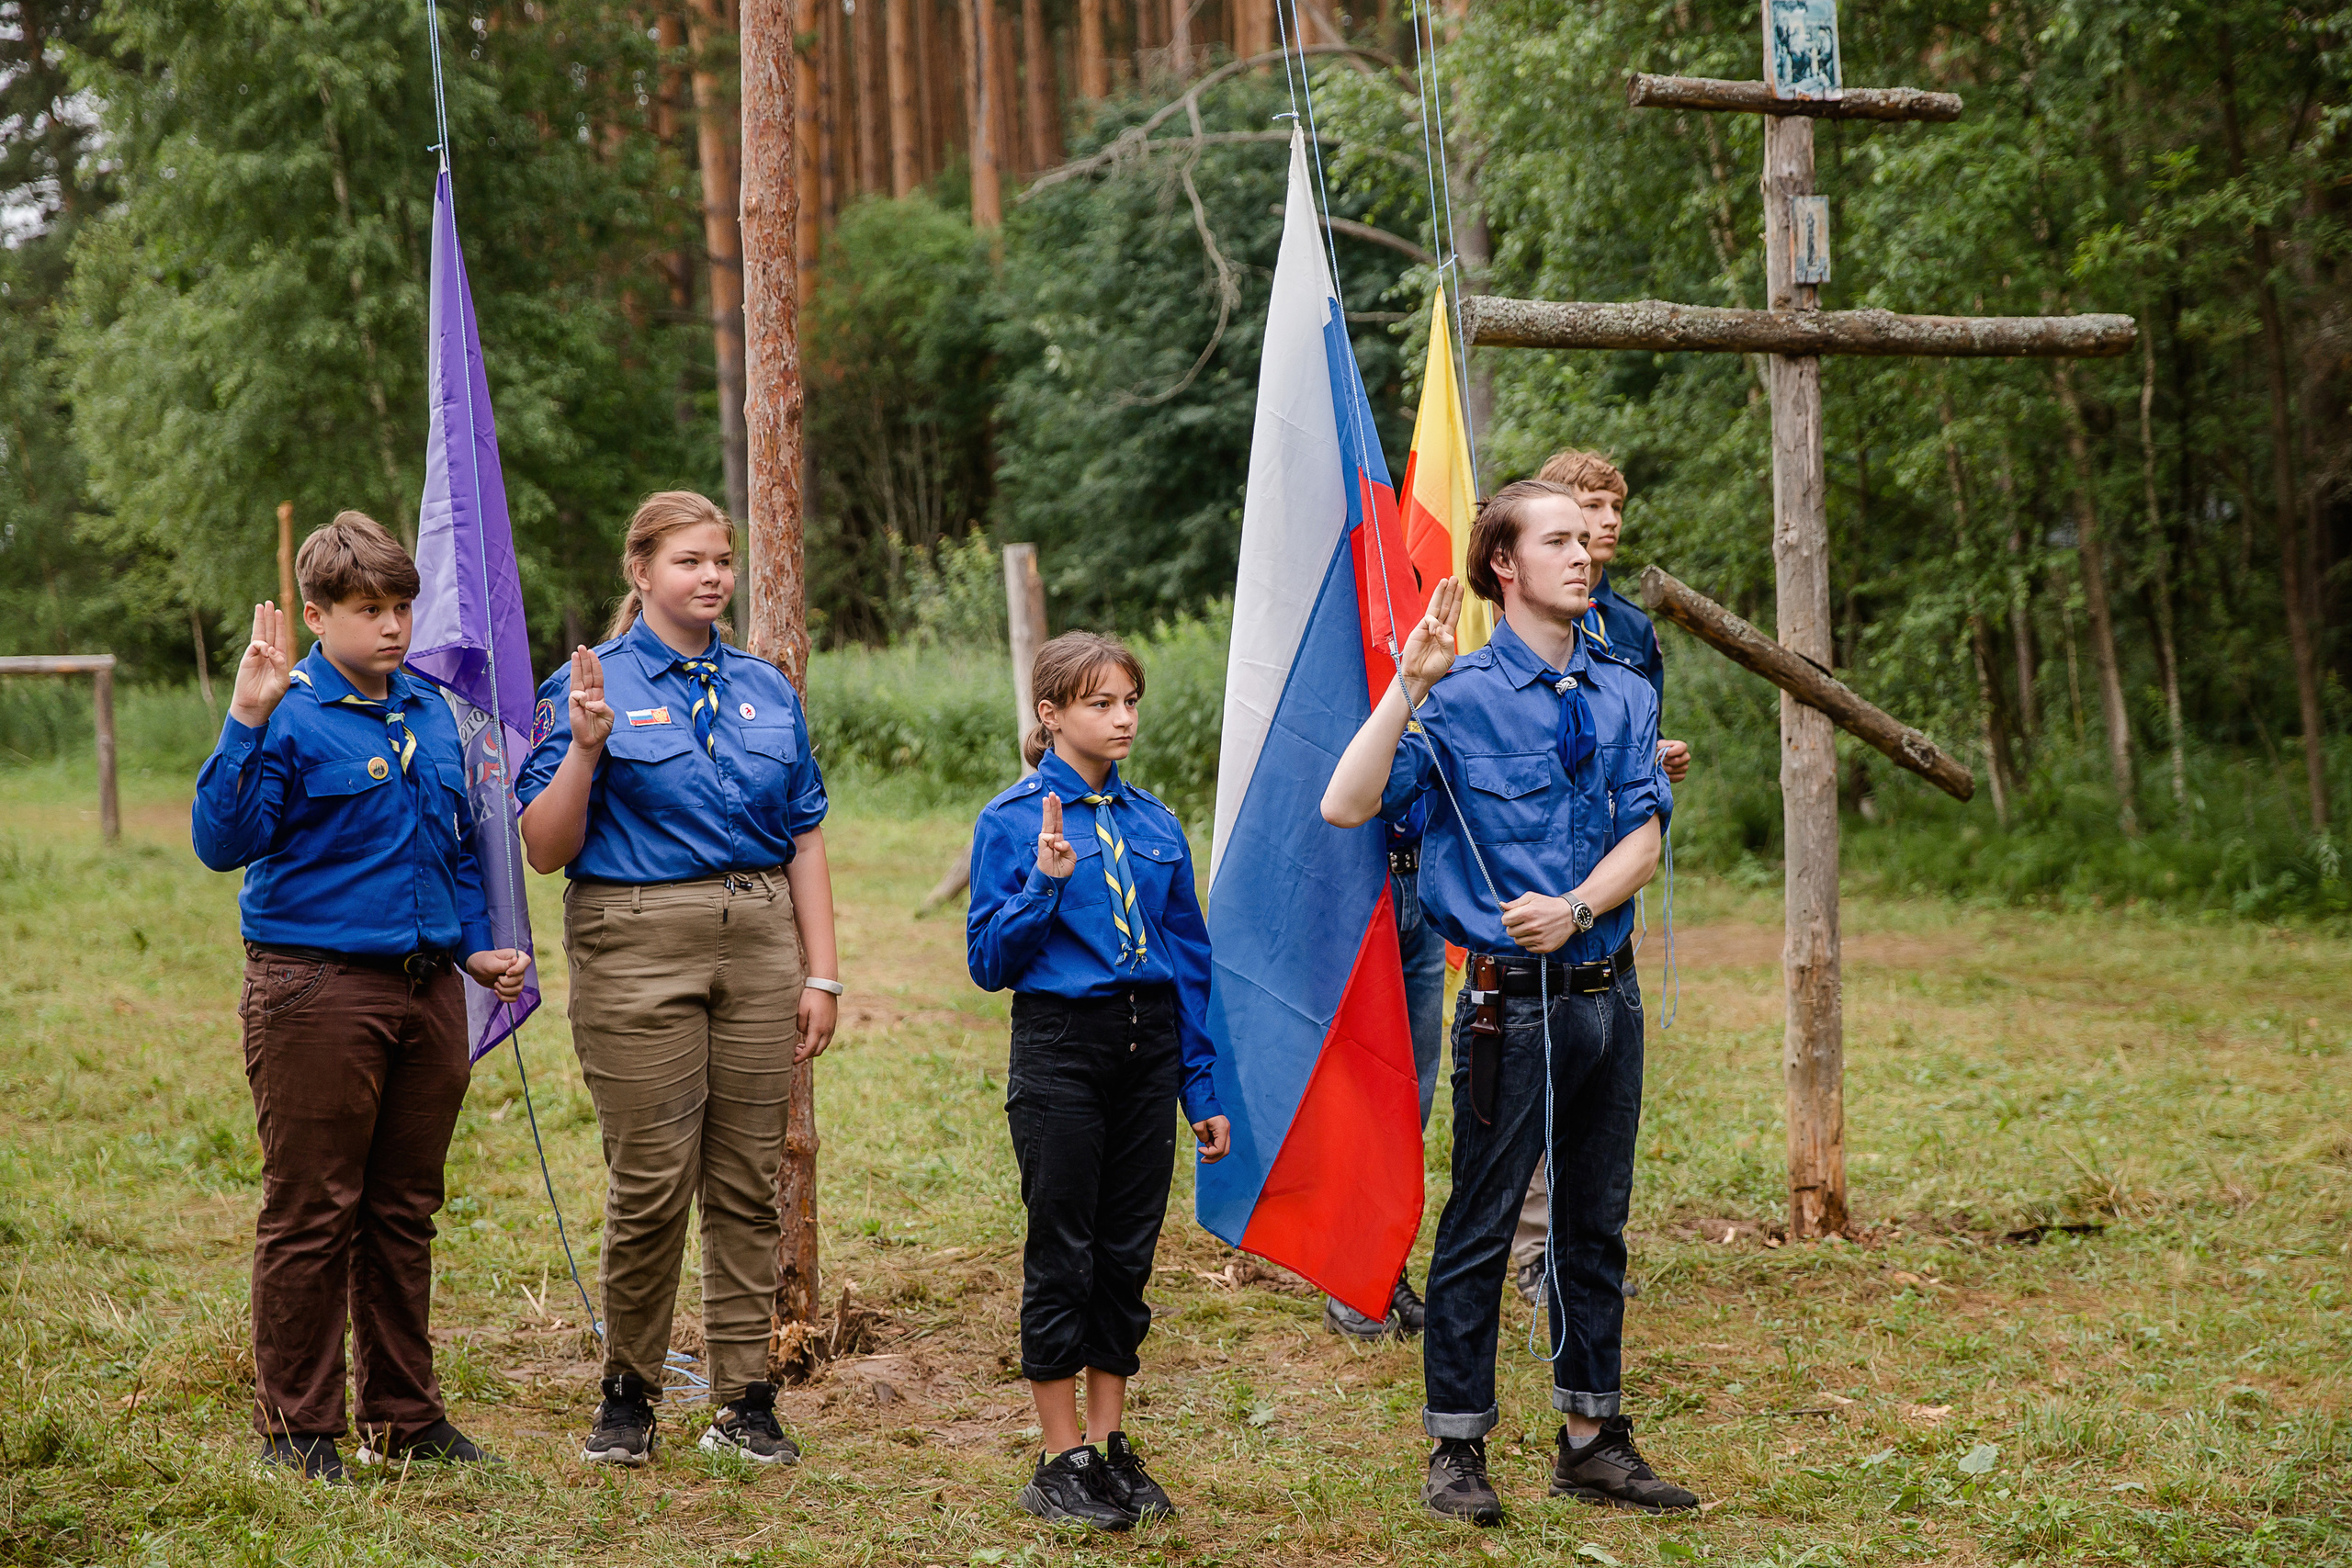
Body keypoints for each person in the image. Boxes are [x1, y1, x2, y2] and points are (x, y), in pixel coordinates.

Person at [1321, 478, 1700, 1525]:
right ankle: (1456, 1451)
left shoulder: (1623, 689)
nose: (1584, 556)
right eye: (1559, 541)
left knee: (1595, 1224)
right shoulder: (1455, 694)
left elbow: (1644, 834)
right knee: (1482, 1226)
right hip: (1506, 1009)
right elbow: (1346, 803)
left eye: (1589, 540)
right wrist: (1407, 684)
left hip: (1603, 998)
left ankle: (1591, 1439)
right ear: (1504, 565)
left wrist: (1578, 905)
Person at [192, 513, 529, 1483]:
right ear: (316, 615)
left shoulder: (429, 711)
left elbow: (459, 853)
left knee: (403, 1209)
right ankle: (298, 1428)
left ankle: (404, 1414)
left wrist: (477, 950)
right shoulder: (288, 710)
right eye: (368, 610)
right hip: (317, 989)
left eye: (401, 608)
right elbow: (224, 841)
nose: (391, 628)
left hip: (426, 994)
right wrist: (245, 718)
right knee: (312, 1208)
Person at [517, 491, 840, 1470]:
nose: (712, 577)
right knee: (652, 1183)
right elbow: (543, 846)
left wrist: (821, 971)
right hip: (636, 938)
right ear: (640, 571)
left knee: (747, 1179)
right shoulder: (589, 683)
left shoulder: (764, 688)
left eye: (722, 561)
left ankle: (745, 1398)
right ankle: (629, 1393)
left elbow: (805, 833)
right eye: (690, 560)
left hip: (760, 940)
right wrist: (582, 746)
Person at [967, 632, 1233, 1531]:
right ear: (1051, 716)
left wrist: (1201, 1088)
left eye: (1129, 702)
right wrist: (1043, 886)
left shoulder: (1155, 824)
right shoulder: (1011, 819)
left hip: (1147, 1046)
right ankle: (1057, 1458)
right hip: (1061, 1046)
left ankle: (1111, 1447)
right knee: (1064, 1250)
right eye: (1099, 704)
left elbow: (1189, 960)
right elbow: (988, 963)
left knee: (1125, 1254)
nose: (1122, 719)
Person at [1512, 449, 1692, 1303]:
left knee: (1597, 1075)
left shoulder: (1628, 631)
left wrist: (1656, 763)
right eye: (1590, 506)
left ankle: (1581, 1253)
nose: (1608, 523)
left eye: (1617, 506)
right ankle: (1530, 1250)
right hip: (1530, 869)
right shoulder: (1508, 621)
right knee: (1529, 1063)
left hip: (1607, 873)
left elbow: (1633, 732)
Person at [1321, 792, 1443, 1341]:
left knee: (1408, 1100)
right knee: (1360, 1093)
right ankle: (1350, 1288)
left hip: (1425, 882)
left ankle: (1382, 1272)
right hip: (1355, 886)